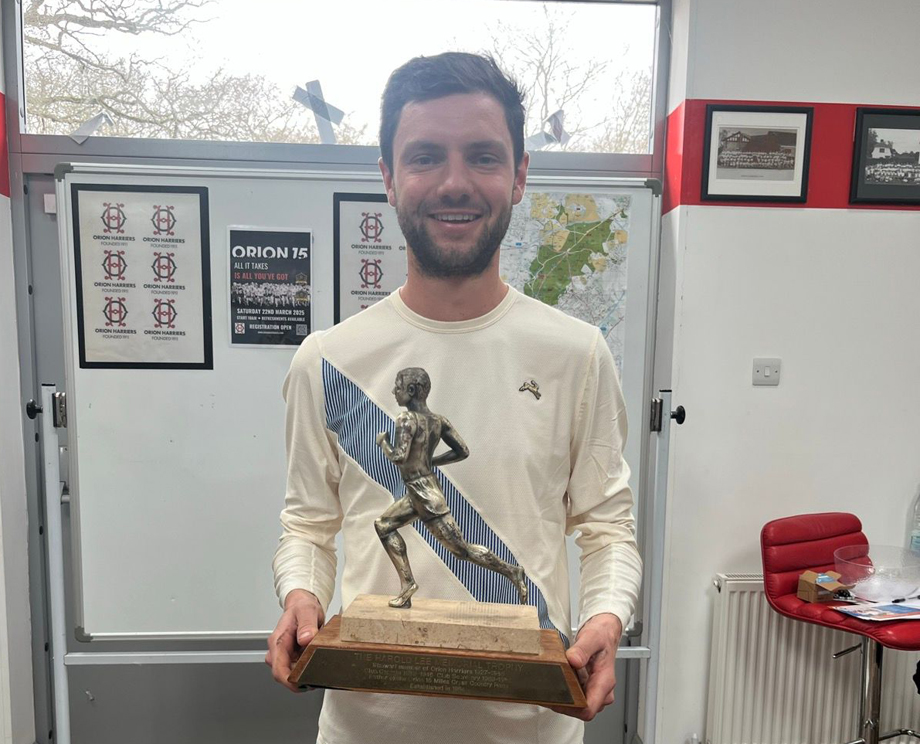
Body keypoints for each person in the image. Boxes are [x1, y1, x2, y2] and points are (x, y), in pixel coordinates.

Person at [266, 51, 641, 744]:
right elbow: (308, 524)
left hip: (532, 726)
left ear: (520, 174)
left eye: (484, 156)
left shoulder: (577, 354)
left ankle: (502, 577)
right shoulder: (328, 360)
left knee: (468, 551)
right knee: (420, 536)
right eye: (426, 157)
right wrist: (302, 595)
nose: (455, 182)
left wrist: (606, 617)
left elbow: (607, 525)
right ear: (388, 177)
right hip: (366, 727)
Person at [374, 366, 528, 608]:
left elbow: (399, 457)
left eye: (398, 386)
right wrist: (430, 461)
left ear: (411, 390)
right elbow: (462, 451)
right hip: (421, 490)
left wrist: (383, 443)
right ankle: (407, 584)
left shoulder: (406, 419)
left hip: (425, 496)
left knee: (461, 551)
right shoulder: (438, 421)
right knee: (383, 525)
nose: (394, 391)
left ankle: (512, 571)